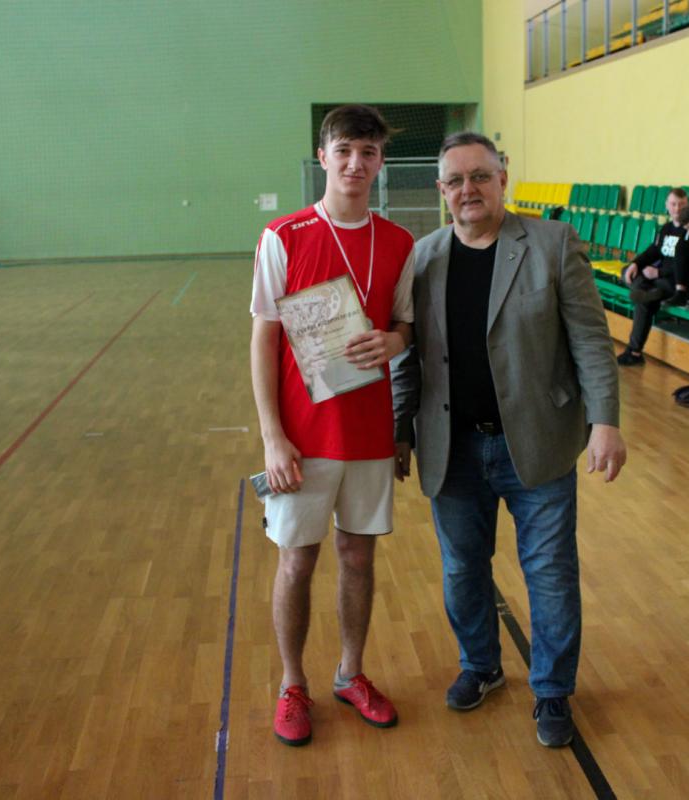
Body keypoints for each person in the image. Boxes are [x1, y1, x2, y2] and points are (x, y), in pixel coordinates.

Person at [391, 132, 626, 748]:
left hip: (538, 442)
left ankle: (552, 690)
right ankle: (481, 665)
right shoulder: (423, 258)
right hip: (452, 449)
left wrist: (605, 421)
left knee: (550, 574)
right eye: (455, 181)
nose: (468, 189)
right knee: (462, 570)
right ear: (441, 192)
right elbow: (408, 357)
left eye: (480, 176)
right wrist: (399, 430)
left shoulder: (552, 244)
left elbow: (591, 339)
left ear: (502, 179)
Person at [250, 104, 414, 747]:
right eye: (344, 150)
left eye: (368, 152)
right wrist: (272, 437)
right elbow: (262, 342)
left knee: (358, 556)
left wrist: (394, 342)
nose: (356, 163)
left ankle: (350, 673)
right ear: (322, 157)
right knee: (297, 561)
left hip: (369, 432)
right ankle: (293, 685)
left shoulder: (398, 242)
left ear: (380, 162)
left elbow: (404, 326)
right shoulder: (283, 236)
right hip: (302, 437)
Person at [616, 187, 689, 366]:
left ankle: (634, 352)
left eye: (682, 204)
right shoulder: (667, 228)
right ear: (667, 205)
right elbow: (654, 250)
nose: (677, 208)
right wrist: (636, 264)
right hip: (658, 278)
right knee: (627, 271)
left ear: (688, 205)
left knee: (644, 302)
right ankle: (647, 290)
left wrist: (659, 272)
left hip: (676, 281)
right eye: (673, 204)